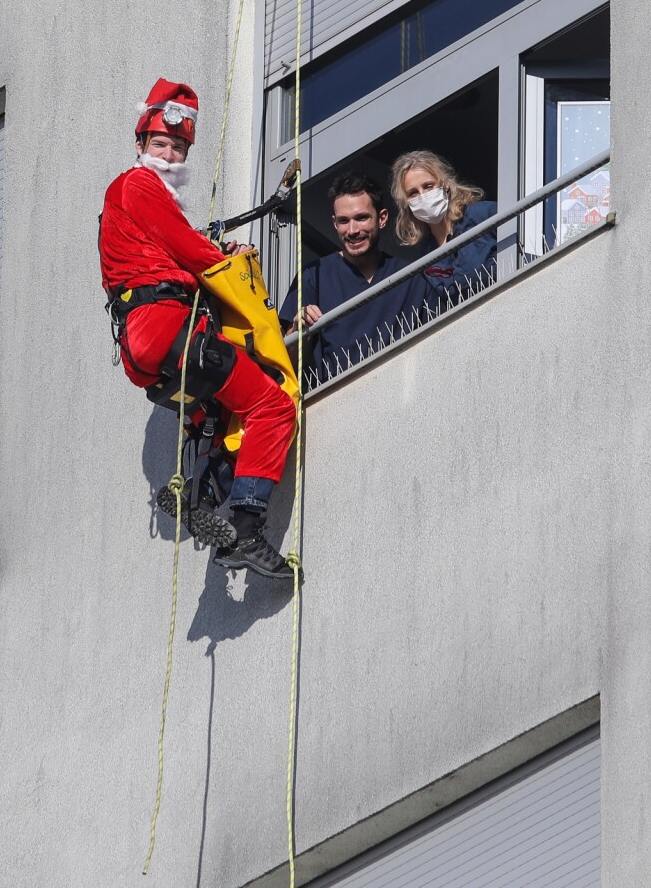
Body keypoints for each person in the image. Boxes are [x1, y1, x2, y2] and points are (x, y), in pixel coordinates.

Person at [99, 78, 296, 579]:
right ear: (140, 145)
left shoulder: (131, 202)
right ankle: (247, 527)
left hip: (147, 344)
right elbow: (187, 250)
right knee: (272, 405)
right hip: (164, 326)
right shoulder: (137, 185)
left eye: (178, 147)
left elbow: (170, 253)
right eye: (160, 144)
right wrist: (225, 264)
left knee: (222, 415)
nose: (168, 153)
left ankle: (207, 492)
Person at [279, 172, 428, 375]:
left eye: (361, 218)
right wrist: (299, 333)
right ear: (334, 223)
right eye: (343, 221)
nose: (352, 230)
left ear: (382, 218)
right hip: (334, 400)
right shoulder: (314, 276)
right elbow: (287, 362)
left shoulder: (410, 277)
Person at [390, 151, 497, 315]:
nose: (423, 196)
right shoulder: (426, 253)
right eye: (413, 193)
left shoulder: (483, 215)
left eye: (428, 186)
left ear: (445, 186)